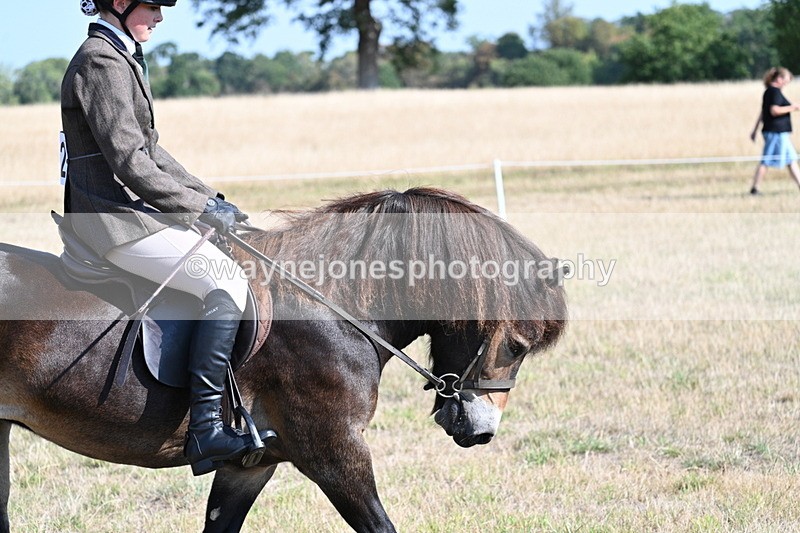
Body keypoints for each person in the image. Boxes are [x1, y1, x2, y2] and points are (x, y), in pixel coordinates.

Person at [61, 0, 272, 476]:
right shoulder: (100, 59)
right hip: (109, 222)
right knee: (223, 282)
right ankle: (205, 428)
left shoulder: (121, 53)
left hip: (127, 213)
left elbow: (152, 150)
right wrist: (197, 209)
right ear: (120, 3)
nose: (159, 17)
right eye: (153, 6)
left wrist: (210, 197)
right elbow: (130, 162)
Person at [749, 67, 800, 195]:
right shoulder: (774, 92)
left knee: (791, 159)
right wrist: (793, 108)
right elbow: (774, 110)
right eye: (787, 80)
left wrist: (755, 130)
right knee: (766, 160)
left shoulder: (769, 92)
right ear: (779, 79)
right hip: (776, 132)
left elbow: (762, 113)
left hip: (779, 133)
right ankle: (755, 188)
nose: (787, 83)